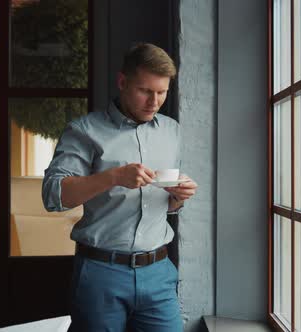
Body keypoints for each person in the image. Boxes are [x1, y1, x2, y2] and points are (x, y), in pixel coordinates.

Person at [42, 42, 197, 332]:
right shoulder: (84, 131)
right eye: (145, 91)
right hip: (101, 273)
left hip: (159, 273)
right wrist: (112, 177)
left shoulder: (171, 131)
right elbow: (53, 196)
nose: (154, 101)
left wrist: (178, 198)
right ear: (123, 82)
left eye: (162, 92)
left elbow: (163, 205)